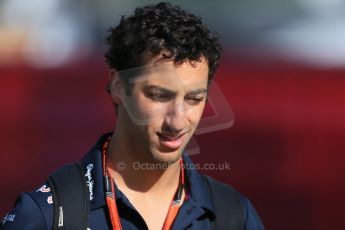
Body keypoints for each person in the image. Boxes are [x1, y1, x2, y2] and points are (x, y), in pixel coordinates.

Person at [1, 2, 264, 230]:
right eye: (159, 95)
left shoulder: (233, 215)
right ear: (119, 86)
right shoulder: (49, 213)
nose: (177, 121)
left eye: (194, 99)